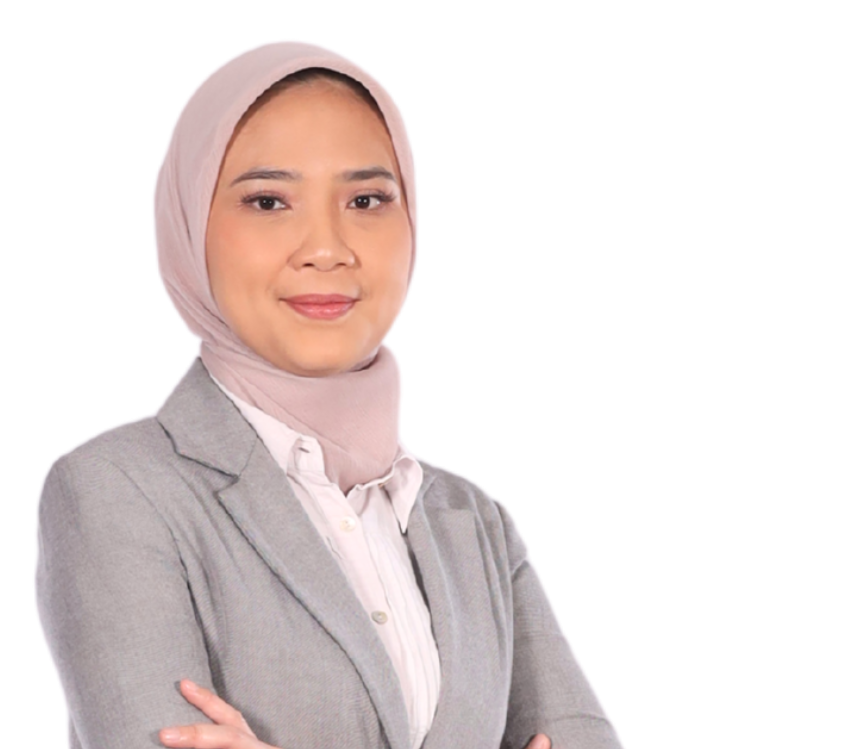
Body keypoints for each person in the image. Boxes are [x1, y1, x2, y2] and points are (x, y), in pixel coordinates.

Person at [35, 39, 623, 749]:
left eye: (366, 199)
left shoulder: (474, 519)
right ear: (190, 224)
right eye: (268, 201)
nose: (326, 248)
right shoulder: (116, 489)